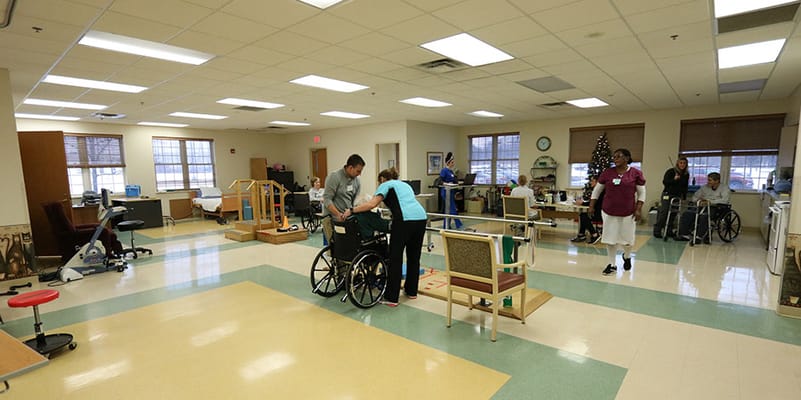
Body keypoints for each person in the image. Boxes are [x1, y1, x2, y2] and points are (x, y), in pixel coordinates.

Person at [351, 169, 428, 307]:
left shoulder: (385, 185)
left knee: (395, 258)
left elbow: (371, 204)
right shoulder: (405, 185)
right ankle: (412, 291)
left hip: (404, 221)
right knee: (414, 257)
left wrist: (351, 210)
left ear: (381, 179)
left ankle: (392, 298)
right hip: (421, 218)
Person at [589, 148, 646, 276]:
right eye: (614, 157)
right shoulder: (608, 173)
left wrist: (638, 209)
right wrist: (591, 205)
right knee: (610, 238)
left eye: (618, 156)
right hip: (609, 211)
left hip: (628, 212)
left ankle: (627, 256)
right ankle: (612, 264)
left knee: (627, 239)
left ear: (627, 158)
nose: (615, 159)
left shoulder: (635, 173)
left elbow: (642, 193)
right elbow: (597, 190)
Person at [677, 172, 730, 244]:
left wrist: (709, 201)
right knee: (687, 214)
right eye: (708, 180)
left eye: (710, 180)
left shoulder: (724, 188)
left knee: (704, 216)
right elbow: (695, 196)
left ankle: (699, 236)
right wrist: (698, 200)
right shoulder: (704, 187)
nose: (708, 182)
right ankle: (685, 234)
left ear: (717, 181)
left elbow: (725, 200)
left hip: (716, 207)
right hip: (701, 205)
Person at [322, 154, 364, 243]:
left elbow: (354, 201)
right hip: (332, 218)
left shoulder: (357, 181)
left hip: (347, 219)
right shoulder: (335, 177)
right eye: (358, 171)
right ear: (350, 168)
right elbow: (327, 199)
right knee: (334, 249)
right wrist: (338, 214)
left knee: (347, 247)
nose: (359, 174)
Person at [653, 157, 689, 238]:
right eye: (681, 163)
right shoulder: (671, 171)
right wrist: (674, 179)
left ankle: (669, 230)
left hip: (677, 196)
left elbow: (685, 187)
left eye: (684, 163)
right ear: (677, 163)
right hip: (667, 194)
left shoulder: (686, 174)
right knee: (664, 212)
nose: (682, 164)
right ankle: (657, 230)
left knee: (673, 214)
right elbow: (665, 182)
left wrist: (684, 197)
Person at [571, 176, 602, 244]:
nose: (590, 182)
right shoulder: (596, 190)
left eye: (592, 181)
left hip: (599, 213)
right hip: (596, 211)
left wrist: (582, 203)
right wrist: (583, 202)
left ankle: (594, 234)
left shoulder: (599, 191)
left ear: (597, 182)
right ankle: (581, 235)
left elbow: (594, 202)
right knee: (583, 215)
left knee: (584, 216)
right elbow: (592, 201)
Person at [439, 151, 462, 229]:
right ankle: (459, 225)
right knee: (453, 209)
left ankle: (446, 225)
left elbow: (454, 179)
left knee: (448, 209)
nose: (453, 164)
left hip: (451, 192)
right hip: (446, 191)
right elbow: (440, 181)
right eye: (452, 162)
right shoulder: (444, 171)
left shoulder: (451, 171)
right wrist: (446, 183)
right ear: (448, 163)